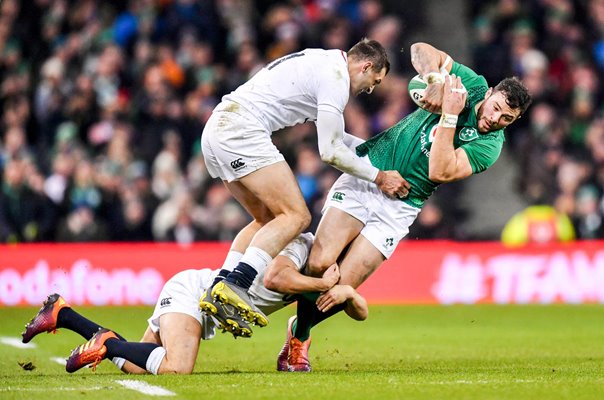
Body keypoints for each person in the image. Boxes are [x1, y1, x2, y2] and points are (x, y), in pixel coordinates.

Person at [268, 41, 533, 372]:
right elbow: (420, 49)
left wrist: (450, 114)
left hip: (402, 205)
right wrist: (436, 78)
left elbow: (440, 170)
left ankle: (299, 334)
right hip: (369, 173)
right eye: (495, 108)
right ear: (490, 92)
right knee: (321, 262)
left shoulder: (489, 147)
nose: (495, 119)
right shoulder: (473, 85)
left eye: (507, 118)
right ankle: (286, 287)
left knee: (341, 289)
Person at [199, 38, 408, 330]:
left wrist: (378, 156)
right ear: (366, 66)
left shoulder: (323, 63)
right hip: (241, 129)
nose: (370, 89)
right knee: (296, 216)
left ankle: (220, 284)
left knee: (267, 219)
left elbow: (336, 136)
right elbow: (330, 151)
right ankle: (238, 283)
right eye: (374, 81)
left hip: (218, 128)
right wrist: (381, 177)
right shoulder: (335, 78)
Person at [21, 233, 367, 375]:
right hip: (196, 292)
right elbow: (277, 277)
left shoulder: (335, 270)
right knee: (177, 368)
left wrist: (349, 292)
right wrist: (323, 284)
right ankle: (106, 343)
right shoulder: (304, 244)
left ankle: (63, 315)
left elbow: (361, 313)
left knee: (138, 365)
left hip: (202, 304)